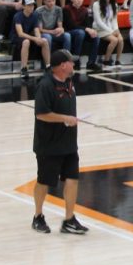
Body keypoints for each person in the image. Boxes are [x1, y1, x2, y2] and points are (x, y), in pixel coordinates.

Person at [31, 49, 89, 235]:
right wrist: (64, 118)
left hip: (69, 143)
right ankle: (38, 216)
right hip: (49, 144)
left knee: (72, 179)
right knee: (44, 181)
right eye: (71, 62)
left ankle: (69, 219)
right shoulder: (45, 85)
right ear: (63, 65)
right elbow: (41, 114)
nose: (74, 64)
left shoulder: (69, 82)